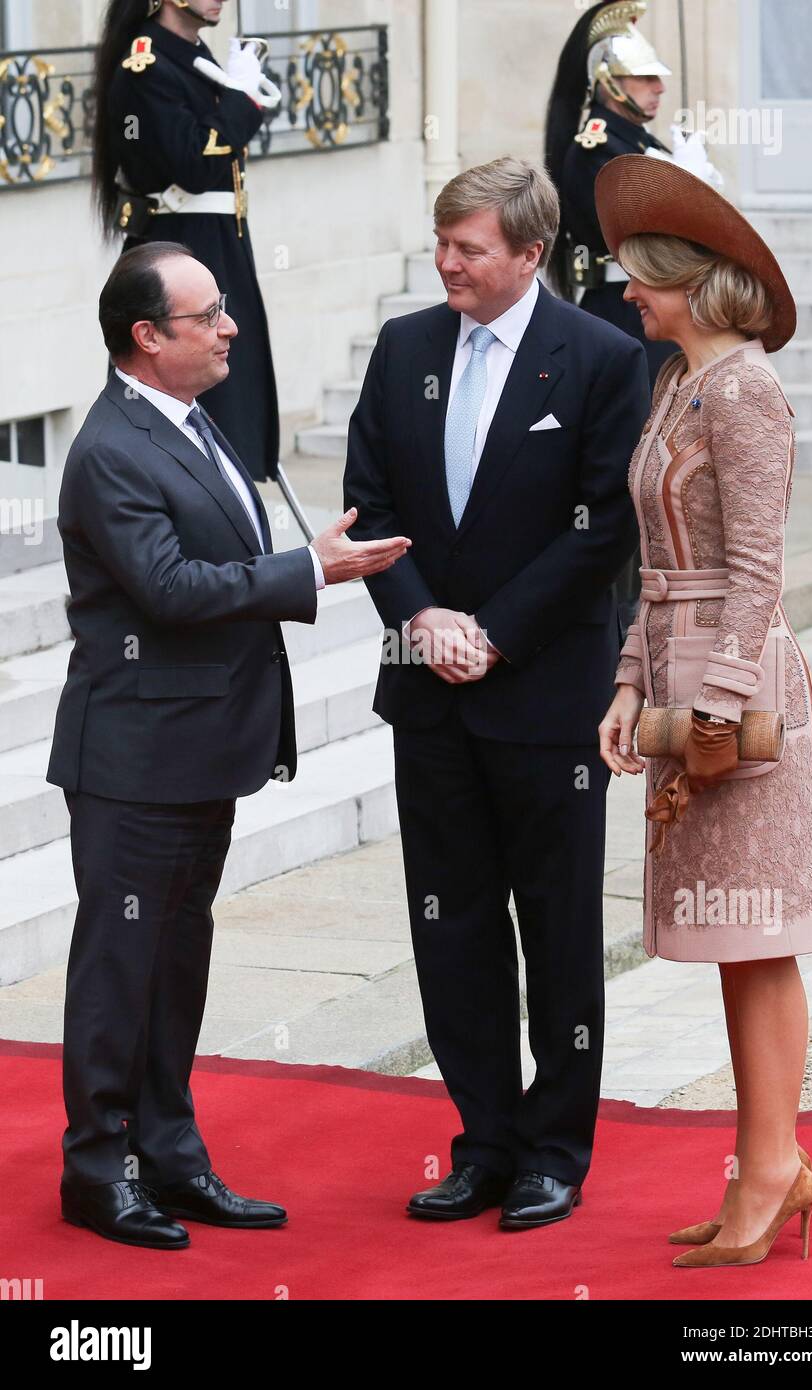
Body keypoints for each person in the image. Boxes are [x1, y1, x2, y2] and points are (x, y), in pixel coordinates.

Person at [47, 242, 409, 1249]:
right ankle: (98, 1170)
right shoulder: (111, 447)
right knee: (122, 966)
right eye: (207, 316)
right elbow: (167, 590)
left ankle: (169, 1151)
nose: (229, 325)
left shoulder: (193, 420)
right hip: (134, 756)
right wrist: (309, 569)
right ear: (147, 338)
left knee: (176, 959)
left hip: (197, 748)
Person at [343, 158, 649, 1230]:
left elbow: (605, 527)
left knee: (558, 929)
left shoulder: (604, 359)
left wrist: (496, 634)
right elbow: (369, 502)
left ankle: (554, 1150)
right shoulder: (404, 348)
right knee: (452, 925)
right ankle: (481, 1140)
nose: (446, 265)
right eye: (441, 244)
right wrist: (420, 619)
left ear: (529, 254)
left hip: (545, 699)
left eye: (468, 249)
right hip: (430, 696)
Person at [596, 154, 812, 1268]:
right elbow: (656, 565)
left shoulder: (741, 389)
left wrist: (718, 706)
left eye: (637, 273)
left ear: (684, 278)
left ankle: (770, 1169)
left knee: (758, 932)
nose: (621, 287)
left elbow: (754, 568)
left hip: (738, 682)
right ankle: (768, 1166)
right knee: (734, 940)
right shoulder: (672, 384)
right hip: (680, 668)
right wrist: (633, 685)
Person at [92, 0, 281, 480]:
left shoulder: (191, 53)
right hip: (182, 249)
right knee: (191, 388)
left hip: (216, 245)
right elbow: (194, 164)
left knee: (230, 393)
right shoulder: (146, 63)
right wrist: (242, 96)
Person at [544, 1, 676, 638]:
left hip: (648, 315)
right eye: (644, 79)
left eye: (657, 79)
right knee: (628, 459)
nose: (656, 90)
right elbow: (626, 231)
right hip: (618, 313)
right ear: (608, 83)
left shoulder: (639, 141)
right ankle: (622, 613)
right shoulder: (595, 147)